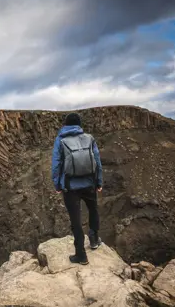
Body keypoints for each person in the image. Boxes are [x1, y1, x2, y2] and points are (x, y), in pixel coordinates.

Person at [51, 112, 103, 265]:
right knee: (93, 210)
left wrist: (57, 185)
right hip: (89, 183)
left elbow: (56, 164)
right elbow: (98, 162)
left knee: (76, 220)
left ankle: (81, 254)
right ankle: (94, 239)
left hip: (70, 186)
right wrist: (98, 182)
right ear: (79, 125)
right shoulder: (89, 138)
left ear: (65, 125)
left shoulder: (60, 140)